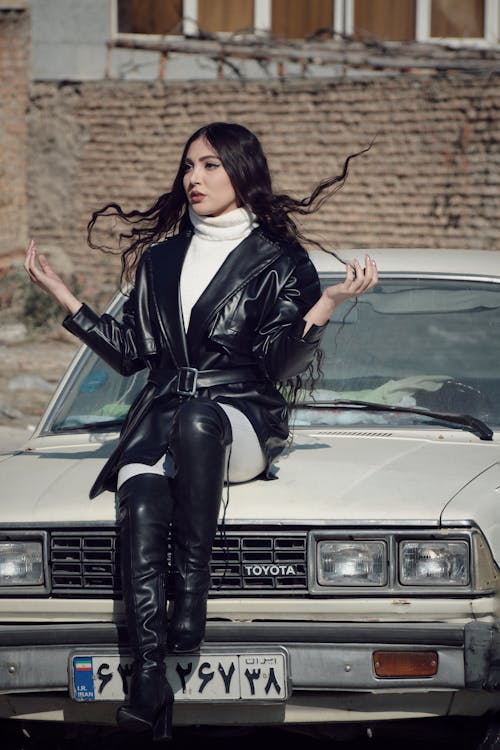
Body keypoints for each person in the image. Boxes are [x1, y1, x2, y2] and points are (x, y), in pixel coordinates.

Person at [24, 121, 378, 741]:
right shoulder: (159, 260)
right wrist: (65, 298)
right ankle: (151, 681)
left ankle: (191, 595)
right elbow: (132, 354)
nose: (194, 178)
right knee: (137, 488)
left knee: (196, 418)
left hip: (240, 417)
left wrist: (327, 304)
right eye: (189, 166)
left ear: (241, 171)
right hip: (161, 415)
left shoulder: (279, 259)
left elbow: (274, 362)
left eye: (210, 165)